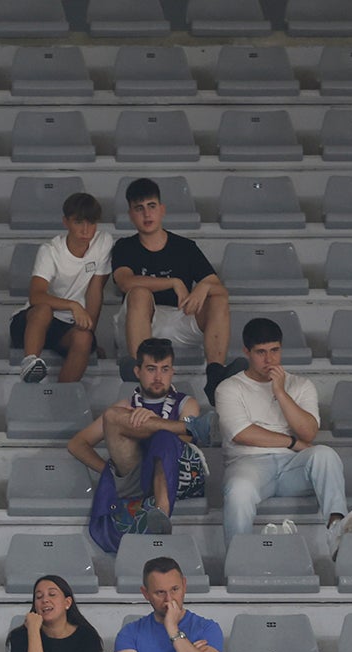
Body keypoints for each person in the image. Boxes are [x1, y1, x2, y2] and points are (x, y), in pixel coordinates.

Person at [216, 317, 352, 554]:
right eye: (261, 352)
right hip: (248, 464)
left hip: (291, 466)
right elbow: (243, 433)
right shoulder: (229, 388)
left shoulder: (301, 385)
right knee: (238, 490)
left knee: (325, 454)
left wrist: (281, 393)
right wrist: (293, 442)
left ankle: (336, 529)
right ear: (247, 352)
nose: (269, 359)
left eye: (275, 350)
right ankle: (238, 558)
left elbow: (309, 431)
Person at [70, 338, 207, 552]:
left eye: (165, 369)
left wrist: (152, 423)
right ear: (137, 371)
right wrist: (107, 470)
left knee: (164, 438)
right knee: (113, 415)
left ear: (172, 372)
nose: (158, 377)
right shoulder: (125, 407)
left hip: (177, 475)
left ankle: (161, 514)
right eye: (151, 369)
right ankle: (189, 426)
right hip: (135, 475)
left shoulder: (186, 403)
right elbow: (77, 444)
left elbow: (183, 445)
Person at [111, 177, 230, 385]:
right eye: (139, 209)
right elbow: (125, 283)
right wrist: (173, 282)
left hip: (178, 318)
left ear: (162, 209)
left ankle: (215, 377)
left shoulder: (185, 247)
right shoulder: (125, 247)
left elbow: (219, 289)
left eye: (151, 206)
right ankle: (142, 376)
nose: (147, 214)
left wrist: (203, 287)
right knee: (139, 293)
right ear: (131, 215)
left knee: (217, 298)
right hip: (137, 321)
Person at [15, 190, 111, 384]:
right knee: (43, 310)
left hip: (68, 327)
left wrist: (91, 333)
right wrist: (73, 305)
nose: (85, 230)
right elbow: (36, 296)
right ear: (66, 222)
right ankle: (30, 363)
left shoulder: (103, 242)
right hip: (33, 322)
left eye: (91, 223)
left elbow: (95, 291)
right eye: (78, 222)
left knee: (84, 339)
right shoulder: (50, 251)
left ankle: (62, 398)